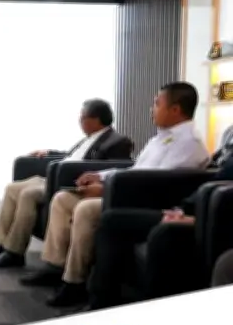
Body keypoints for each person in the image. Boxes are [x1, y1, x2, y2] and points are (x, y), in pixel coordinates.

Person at [21, 82, 209, 308]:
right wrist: (99, 176)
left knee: (86, 209)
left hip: (144, 201)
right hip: (126, 191)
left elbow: (156, 184)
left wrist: (106, 188)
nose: (152, 109)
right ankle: (56, 266)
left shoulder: (189, 144)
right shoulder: (160, 138)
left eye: (157, 103)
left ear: (175, 109)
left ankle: (75, 282)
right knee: (63, 199)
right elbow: (134, 170)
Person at [0, 99, 133, 268]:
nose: (79, 121)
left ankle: (14, 252)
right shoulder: (88, 139)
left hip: (65, 183)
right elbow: (70, 156)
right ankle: (1, 243)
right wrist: (48, 152)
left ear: (96, 119)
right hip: (53, 177)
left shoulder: (117, 141)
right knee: (12, 188)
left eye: (82, 117)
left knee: (28, 194)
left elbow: (115, 168)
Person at [88, 153, 233, 309]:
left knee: (164, 233)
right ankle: (102, 303)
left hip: (210, 220)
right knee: (111, 220)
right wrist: (179, 211)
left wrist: (196, 219)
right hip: (188, 210)